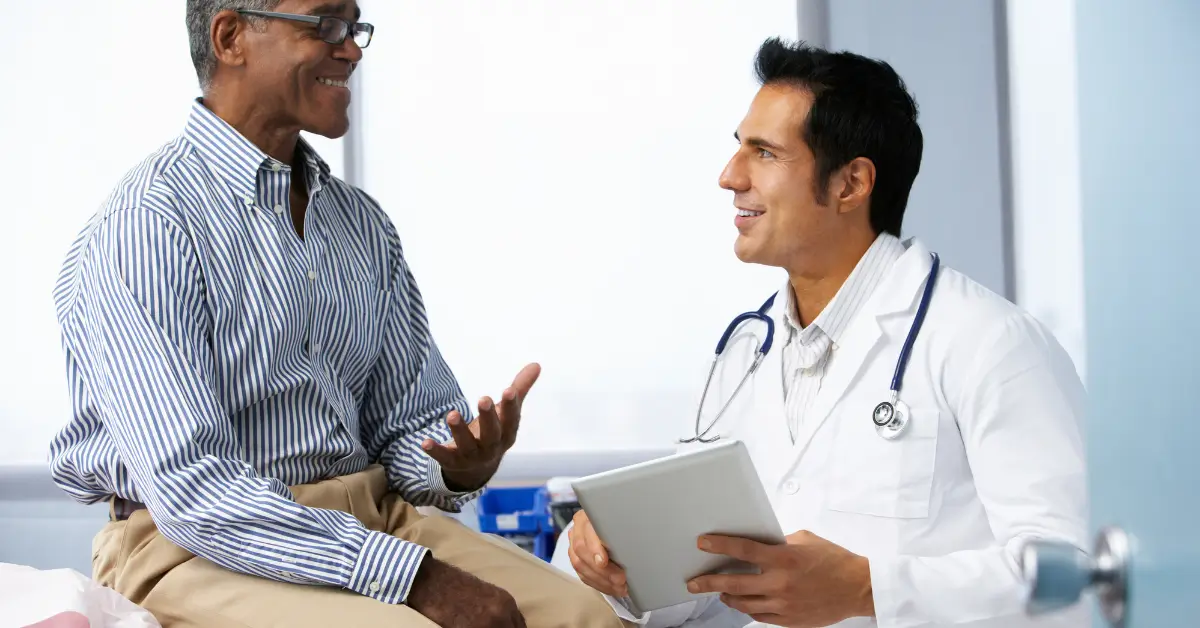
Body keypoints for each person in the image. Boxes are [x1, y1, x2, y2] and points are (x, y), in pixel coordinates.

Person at [47, 1, 630, 626]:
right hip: (195, 546)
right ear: (231, 37)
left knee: (588, 615)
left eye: (353, 28)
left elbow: (404, 422)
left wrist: (457, 464)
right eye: (324, 26)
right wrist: (416, 579)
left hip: (372, 523)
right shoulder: (147, 227)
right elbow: (194, 493)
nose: (351, 49)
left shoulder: (360, 222)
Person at [562, 38, 1088, 628]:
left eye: (764, 153)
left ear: (850, 184)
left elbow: (1074, 576)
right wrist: (630, 569)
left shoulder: (992, 344)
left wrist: (871, 590)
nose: (729, 176)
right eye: (739, 148)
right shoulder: (744, 354)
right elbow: (721, 575)